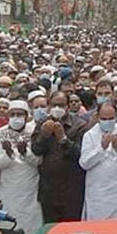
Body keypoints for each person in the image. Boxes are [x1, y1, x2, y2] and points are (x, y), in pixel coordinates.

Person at [0, 100, 43, 234]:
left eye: (20, 114)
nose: (16, 117)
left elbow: (39, 161)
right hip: (9, 188)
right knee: (10, 223)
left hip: (31, 187)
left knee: (31, 224)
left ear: (26, 115)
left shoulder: (34, 132)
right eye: (13, 114)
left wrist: (25, 153)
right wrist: (8, 154)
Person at [31, 91, 86, 222]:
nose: (57, 109)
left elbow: (80, 155)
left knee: (70, 230)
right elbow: (36, 150)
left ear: (67, 106)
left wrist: (63, 139)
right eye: (54, 105)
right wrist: (44, 136)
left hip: (71, 189)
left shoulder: (79, 125)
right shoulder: (42, 123)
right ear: (49, 106)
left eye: (61, 105)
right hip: (49, 189)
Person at [80, 102, 117, 220]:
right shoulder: (90, 135)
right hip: (97, 194)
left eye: (111, 118)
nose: (107, 121)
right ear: (97, 117)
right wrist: (101, 148)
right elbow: (84, 163)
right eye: (104, 119)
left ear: (116, 116)